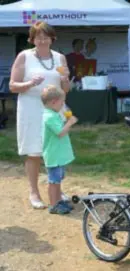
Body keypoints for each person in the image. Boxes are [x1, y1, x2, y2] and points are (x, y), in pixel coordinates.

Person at [9, 21, 71, 209]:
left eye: (45, 36)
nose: (42, 40)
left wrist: (65, 79)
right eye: (38, 37)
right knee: (34, 151)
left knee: (56, 151)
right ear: (32, 39)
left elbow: (66, 90)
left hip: (54, 110)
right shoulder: (24, 57)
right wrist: (29, 84)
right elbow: (13, 85)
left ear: (52, 38)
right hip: (30, 109)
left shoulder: (60, 58)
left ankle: (56, 189)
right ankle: (34, 192)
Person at [41, 85, 77, 214]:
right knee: (54, 181)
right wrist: (70, 122)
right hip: (53, 155)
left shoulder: (53, 114)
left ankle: (58, 201)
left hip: (57, 155)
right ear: (53, 102)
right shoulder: (49, 116)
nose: (63, 105)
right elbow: (60, 132)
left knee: (58, 180)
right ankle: (54, 204)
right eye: (62, 102)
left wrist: (66, 121)